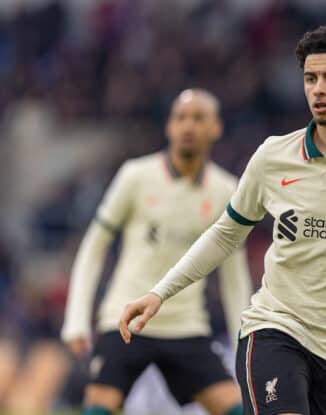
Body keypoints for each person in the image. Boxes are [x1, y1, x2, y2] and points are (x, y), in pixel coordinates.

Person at [120, 25, 326, 415]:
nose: (318, 89)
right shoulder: (273, 156)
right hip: (273, 329)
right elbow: (226, 234)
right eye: (310, 78)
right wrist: (160, 292)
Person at [61, 89, 250, 415]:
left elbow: (234, 271)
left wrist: (243, 340)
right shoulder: (136, 176)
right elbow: (94, 246)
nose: (188, 126)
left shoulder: (226, 190)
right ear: (169, 127)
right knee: (98, 410)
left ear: (216, 128)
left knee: (235, 408)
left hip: (187, 325)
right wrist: (76, 319)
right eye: (180, 117)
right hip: (125, 319)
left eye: (198, 118)